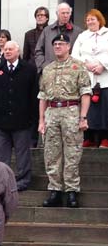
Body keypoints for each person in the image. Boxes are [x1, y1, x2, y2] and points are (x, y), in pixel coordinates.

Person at [38, 34, 92, 208]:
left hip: (71, 111)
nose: (57, 46)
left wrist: (83, 117)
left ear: (68, 46)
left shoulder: (79, 66)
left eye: (61, 44)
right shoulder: (48, 69)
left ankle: (71, 191)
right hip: (52, 112)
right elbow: (43, 97)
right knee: (51, 153)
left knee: (72, 152)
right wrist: (41, 120)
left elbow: (85, 93)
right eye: (55, 44)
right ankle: (55, 190)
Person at [0, 41, 38, 191]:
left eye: (10, 49)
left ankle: (23, 180)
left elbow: (34, 94)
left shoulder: (29, 69)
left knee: (23, 153)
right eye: (5, 49)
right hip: (0, 120)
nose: (7, 51)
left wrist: (34, 117)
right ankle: (2, 181)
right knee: (2, 154)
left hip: (22, 120)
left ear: (18, 51)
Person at [72, 9, 108, 148]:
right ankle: (89, 138)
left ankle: (105, 139)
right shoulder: (82, 36)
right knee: (88, 109)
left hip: (104, 78)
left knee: (105, 109)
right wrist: (86, 64)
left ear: (99, 20)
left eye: (93, 19)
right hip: (87, 77)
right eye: (88, 20)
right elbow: (75, 55)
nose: (90, 22)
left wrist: (102, 65)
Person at [35, 2, 83, 73]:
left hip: (70, 73)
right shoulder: (47, 30)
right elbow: (38, 51)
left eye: (67, 13)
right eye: (63, 13)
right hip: (50, 72)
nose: (65, 15)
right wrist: (44, 65)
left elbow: (82, 53)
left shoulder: (78, 32)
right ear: (57, 14)